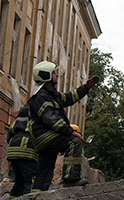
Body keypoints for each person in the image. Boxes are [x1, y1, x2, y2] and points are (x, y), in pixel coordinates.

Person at [27, 61, 99, 191]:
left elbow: (69, 98)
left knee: (45, 170)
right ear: (46, 75)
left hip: (44, 138)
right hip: (44, 136)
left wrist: (86, 87)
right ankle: (71, 179)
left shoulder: (51, 94)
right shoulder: (41, 96)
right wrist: (71, 131)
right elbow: (52, 119)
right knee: (74, 142)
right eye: (54, 73)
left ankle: (34, 197)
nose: (57, 76)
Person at [6, 106, 37, 197]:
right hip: (26, 151)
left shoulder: (22, 113)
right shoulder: (39, 112)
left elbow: (10, 134)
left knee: (19, 182)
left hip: (13, 151)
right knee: (30, 182)